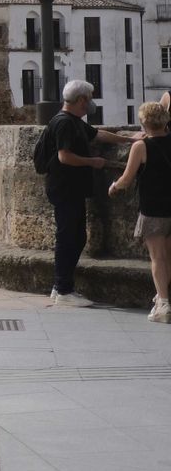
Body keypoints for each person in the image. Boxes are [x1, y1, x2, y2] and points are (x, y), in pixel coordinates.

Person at [42, 79, 142, 306]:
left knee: (75, 236)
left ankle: (60, 288)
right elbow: (63, 156)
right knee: (69, 237)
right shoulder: (65, 123)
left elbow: (98, 135)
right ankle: (63, 290)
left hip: (69, 188)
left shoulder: (74, 121)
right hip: (65, 188)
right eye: (88, 99)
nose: (90, 103)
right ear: (81, 100)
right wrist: (92, 162)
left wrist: (130, 139)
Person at [108, 97, 171, 321]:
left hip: (153, 208)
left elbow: (127, 179)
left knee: (157, 258)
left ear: (144, 123)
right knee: (168, 257)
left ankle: (163, 304)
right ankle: (162, 297)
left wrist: (114, 186)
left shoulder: (141, 146)